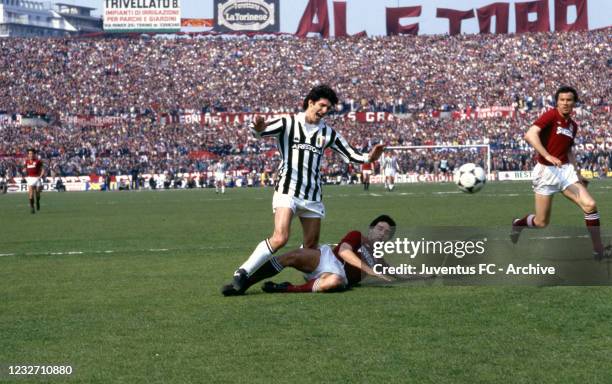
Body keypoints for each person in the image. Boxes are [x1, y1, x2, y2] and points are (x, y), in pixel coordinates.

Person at [222, 85, 385, 294]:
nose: (325, 111)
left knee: (310, 248)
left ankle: (303, 282)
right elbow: (260, 132)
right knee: (280, 237)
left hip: (312, 197)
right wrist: (258, 126)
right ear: (310, 102)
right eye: (322, 105)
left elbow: (352, 155)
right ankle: (243, 273)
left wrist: (370, 157)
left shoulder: (327, 133)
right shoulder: (287, 122)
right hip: (287, 189)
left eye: (328, 108)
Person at [510, 86, 610, 260]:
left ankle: (598, 249)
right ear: (557, 102)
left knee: (590, 205)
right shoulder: (551, 115)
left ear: (574, 103)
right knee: (541, 222)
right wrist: (547, 155)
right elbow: (530, 135)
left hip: (565, 172)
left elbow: (569, 150)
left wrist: (577, 173)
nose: (565, 103)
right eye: (562, 100)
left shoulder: (573, 125)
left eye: (569, 100)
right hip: (546, 173)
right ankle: (518, 223)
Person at [223, 215, 398, 295]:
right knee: (291, 256)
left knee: (335, 282)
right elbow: (344, 252)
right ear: (371, 229)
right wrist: (370, 270)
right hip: (327, 260)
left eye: (387, 232)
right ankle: (246, 283)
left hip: (338, 276)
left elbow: (397, 273)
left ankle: (285, 288)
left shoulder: (379, 260)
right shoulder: (357, 236)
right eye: (379, 228)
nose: (382, 234)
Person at [23, 148, 44, 214]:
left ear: (34, 154)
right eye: (29, 154)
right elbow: (24, 168)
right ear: (28, 155)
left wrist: (40, 176)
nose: (30, 155)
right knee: (31, 194)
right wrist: (24, 171)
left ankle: (37, 201)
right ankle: (32, 207)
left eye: (32, 153)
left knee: (37, 194)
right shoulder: (26, 162)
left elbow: (43, 169)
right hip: (30, 179)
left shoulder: (38, 161)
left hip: (37, 178)